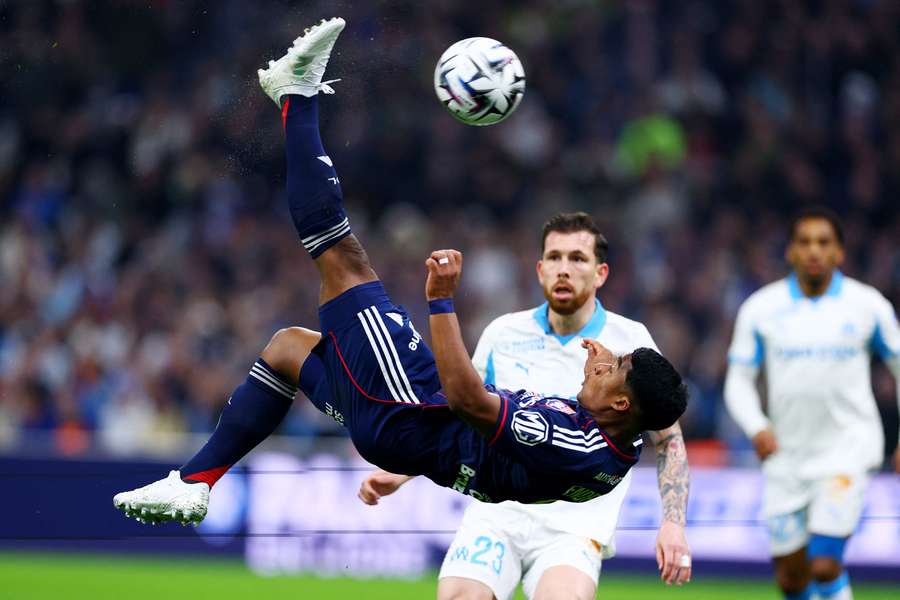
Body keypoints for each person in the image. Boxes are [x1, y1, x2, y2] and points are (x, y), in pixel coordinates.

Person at [113, 18, 687, 525]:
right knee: (288, 349)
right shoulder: (612, 450)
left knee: (343, 261)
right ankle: (193, 483)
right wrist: (598, 369)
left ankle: (297, 94)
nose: (601, 357)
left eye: (615, 366)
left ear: (620, 406)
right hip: (409, 434)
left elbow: (466, 399)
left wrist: (440, 301)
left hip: (415, 404)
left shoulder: (570, 438)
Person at [357, 212, 692, 599]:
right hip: (497, 510)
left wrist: (673, 523)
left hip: (573, 525)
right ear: (539, 269)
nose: (563, 269)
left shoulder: (630, 344)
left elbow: (669, 440)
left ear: (600, 273)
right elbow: (460, 410)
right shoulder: (504, 332)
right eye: (554, 257)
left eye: (577, 259)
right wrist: (400, 472)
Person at [724, 206, 900, 600]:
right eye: (804, 242)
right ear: (790, 251)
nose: (814, 251)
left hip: (848, 449)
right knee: (791, 577)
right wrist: (757, 426)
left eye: (824, 243)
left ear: (839, 252)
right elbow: (738, 381)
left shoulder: (867, 305)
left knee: (824, 563)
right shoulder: (761, 308)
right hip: (786, 456)